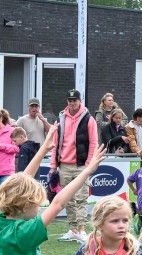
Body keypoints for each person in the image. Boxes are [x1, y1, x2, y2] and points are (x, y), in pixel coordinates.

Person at [51, 89, 99, 243]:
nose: (72, 103)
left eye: (74, 100)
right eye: (70, 100)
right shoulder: (61, 118)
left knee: (81, 198)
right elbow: (56, 143)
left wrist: (89, 164)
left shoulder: (89, 119)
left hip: (81, 165)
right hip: (64, 164)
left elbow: (93, 142)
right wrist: (54, 165)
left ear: (80, 101)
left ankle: (82, 230)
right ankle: (73, 230)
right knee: (68, 200)